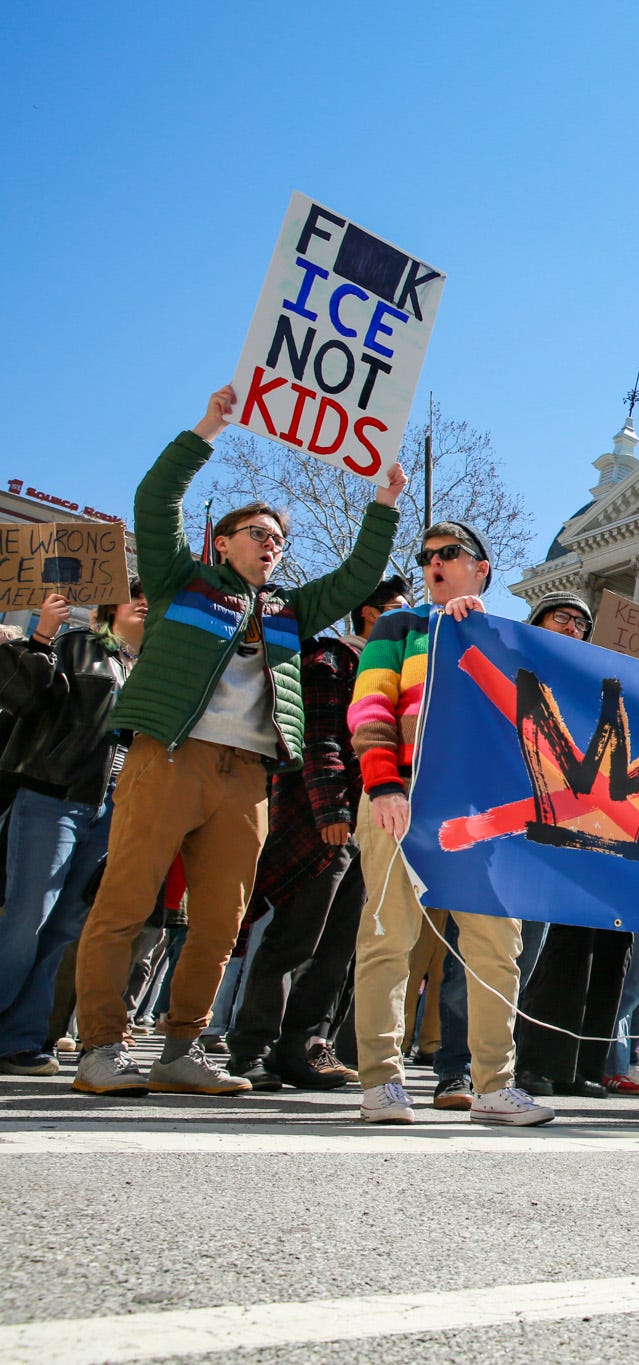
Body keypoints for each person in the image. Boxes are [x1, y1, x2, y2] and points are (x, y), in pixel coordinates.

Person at [70, 385, 403, 1097]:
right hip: (170, 756)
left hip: (248, 776)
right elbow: (156, 498)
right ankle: (100, 1047)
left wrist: (384, 504)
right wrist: (208, 429)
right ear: (223, 542)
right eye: (258, 533)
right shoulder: (179, 581)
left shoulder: (289, 611)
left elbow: (356, 579)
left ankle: (180, 1050)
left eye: (278, 539)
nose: (271, 544)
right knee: (125, 905)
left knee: (221, 921)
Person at [349, 521, 550, 1127]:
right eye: (426, 556)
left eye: (449, 553)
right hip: (404, 794)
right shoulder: (399, 626)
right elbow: (370, 706)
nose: (433, 563)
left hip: (482, 812)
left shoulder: (509, 640)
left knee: (497, 946)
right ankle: (382, 1082)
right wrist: (383, 783)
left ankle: (495, 1086)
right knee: (388, 937)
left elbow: (532, 726)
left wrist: (477, 635)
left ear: (480, 569)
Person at [226, 576, 407, 1092]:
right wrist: (332, 810)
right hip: (323, 822)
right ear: (370, 614)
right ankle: (251, 1048)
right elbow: (320, 736)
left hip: (374, 824)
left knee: (338, 948)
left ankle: (303, 1048)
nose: (408, 621)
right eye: (398, 609)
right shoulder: (332, 660)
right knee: (295, 938)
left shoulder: (399, 680)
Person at [0, 581, 146, 1074]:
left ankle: (20, 1039)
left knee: (63, 928)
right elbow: (25, 697)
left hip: (113, 810)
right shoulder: (77, 645)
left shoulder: (154, 668)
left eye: (154, 599)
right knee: (28, 918)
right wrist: (42, 635)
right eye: (135, 595)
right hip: (54, 796)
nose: (145, 603)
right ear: (109, 607)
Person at [511, 591, 637, 1101]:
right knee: (559, 949)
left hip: (608, 824)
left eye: (581, 623)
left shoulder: (597, 682)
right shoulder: (519, 667)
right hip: (544, 821)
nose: (573, 627)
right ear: (537, 621)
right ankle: (536, 1060)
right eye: (561, 617)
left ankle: (582, 1064)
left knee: (607, 944)